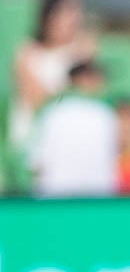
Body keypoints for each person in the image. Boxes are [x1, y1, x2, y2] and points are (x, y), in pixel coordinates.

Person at [10, 0, 95, 151]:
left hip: (73, 137)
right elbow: (36, 100)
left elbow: (91, 92)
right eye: (65, 12)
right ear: (48, 17)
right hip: (35, 138)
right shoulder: (28, 53)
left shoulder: (83, 50)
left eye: (76, 12)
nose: (73, 20)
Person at [27, 59, 117, 197]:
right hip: (93, 200)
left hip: (57, 199)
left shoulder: (52, 111)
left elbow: (36, 162)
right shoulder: (105, 114)